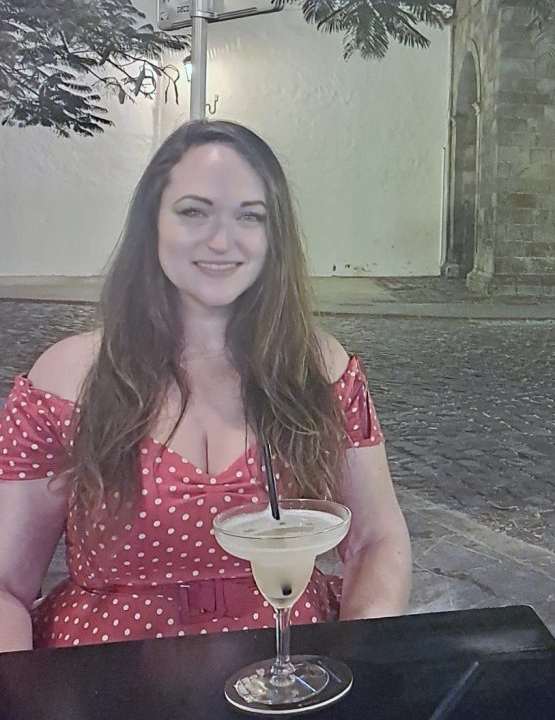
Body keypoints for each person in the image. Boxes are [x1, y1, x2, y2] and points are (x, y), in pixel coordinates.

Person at [0, 121, 412, 652]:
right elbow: (6, 584)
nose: (222, 240)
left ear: (274, 235)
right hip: (110, 680)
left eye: (250, 216)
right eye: (194, 211)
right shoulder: (67, 381)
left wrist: (362, 659)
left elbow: (377, 539)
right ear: (152, 222)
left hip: (287, 670)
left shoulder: (320, 370)